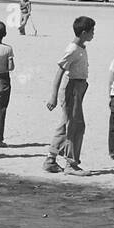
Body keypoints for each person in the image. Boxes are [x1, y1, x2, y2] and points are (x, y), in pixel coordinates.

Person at [44, 16, 95, 174]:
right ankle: (71, 164)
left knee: (66, 124)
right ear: (84, 33)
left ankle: (51, 160)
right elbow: (60, 71)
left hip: (78, 88)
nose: (94, 34)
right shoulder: (72, 49)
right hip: (71, 88)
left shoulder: (81, 48)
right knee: (76, 125)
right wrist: (53, 96)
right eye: (92, 32)